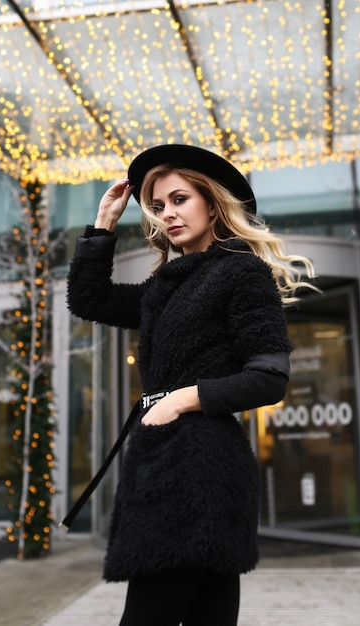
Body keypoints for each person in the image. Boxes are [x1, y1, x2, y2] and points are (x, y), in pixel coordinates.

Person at [66, 144, 315, 626]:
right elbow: (90, 299)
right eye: (157, 207)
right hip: (170, 466)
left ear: (212, 202)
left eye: (180, 200)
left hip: (197, 472)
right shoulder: (167, 285)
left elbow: (268, 377)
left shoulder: (241, 271)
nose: (167, 216)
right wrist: (103, 223)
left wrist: (181, 399)